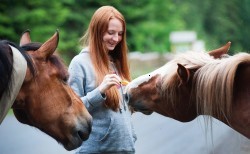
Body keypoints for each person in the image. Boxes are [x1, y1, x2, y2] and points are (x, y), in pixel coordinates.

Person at [68, 6, 136, 154]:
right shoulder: (79, 63)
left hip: (126, 149)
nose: (116, 39)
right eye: (111, 33)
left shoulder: (116, 62)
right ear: (97, 30)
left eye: (120, 34)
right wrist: (100, 91)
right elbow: (71, 111)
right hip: (95, 150)